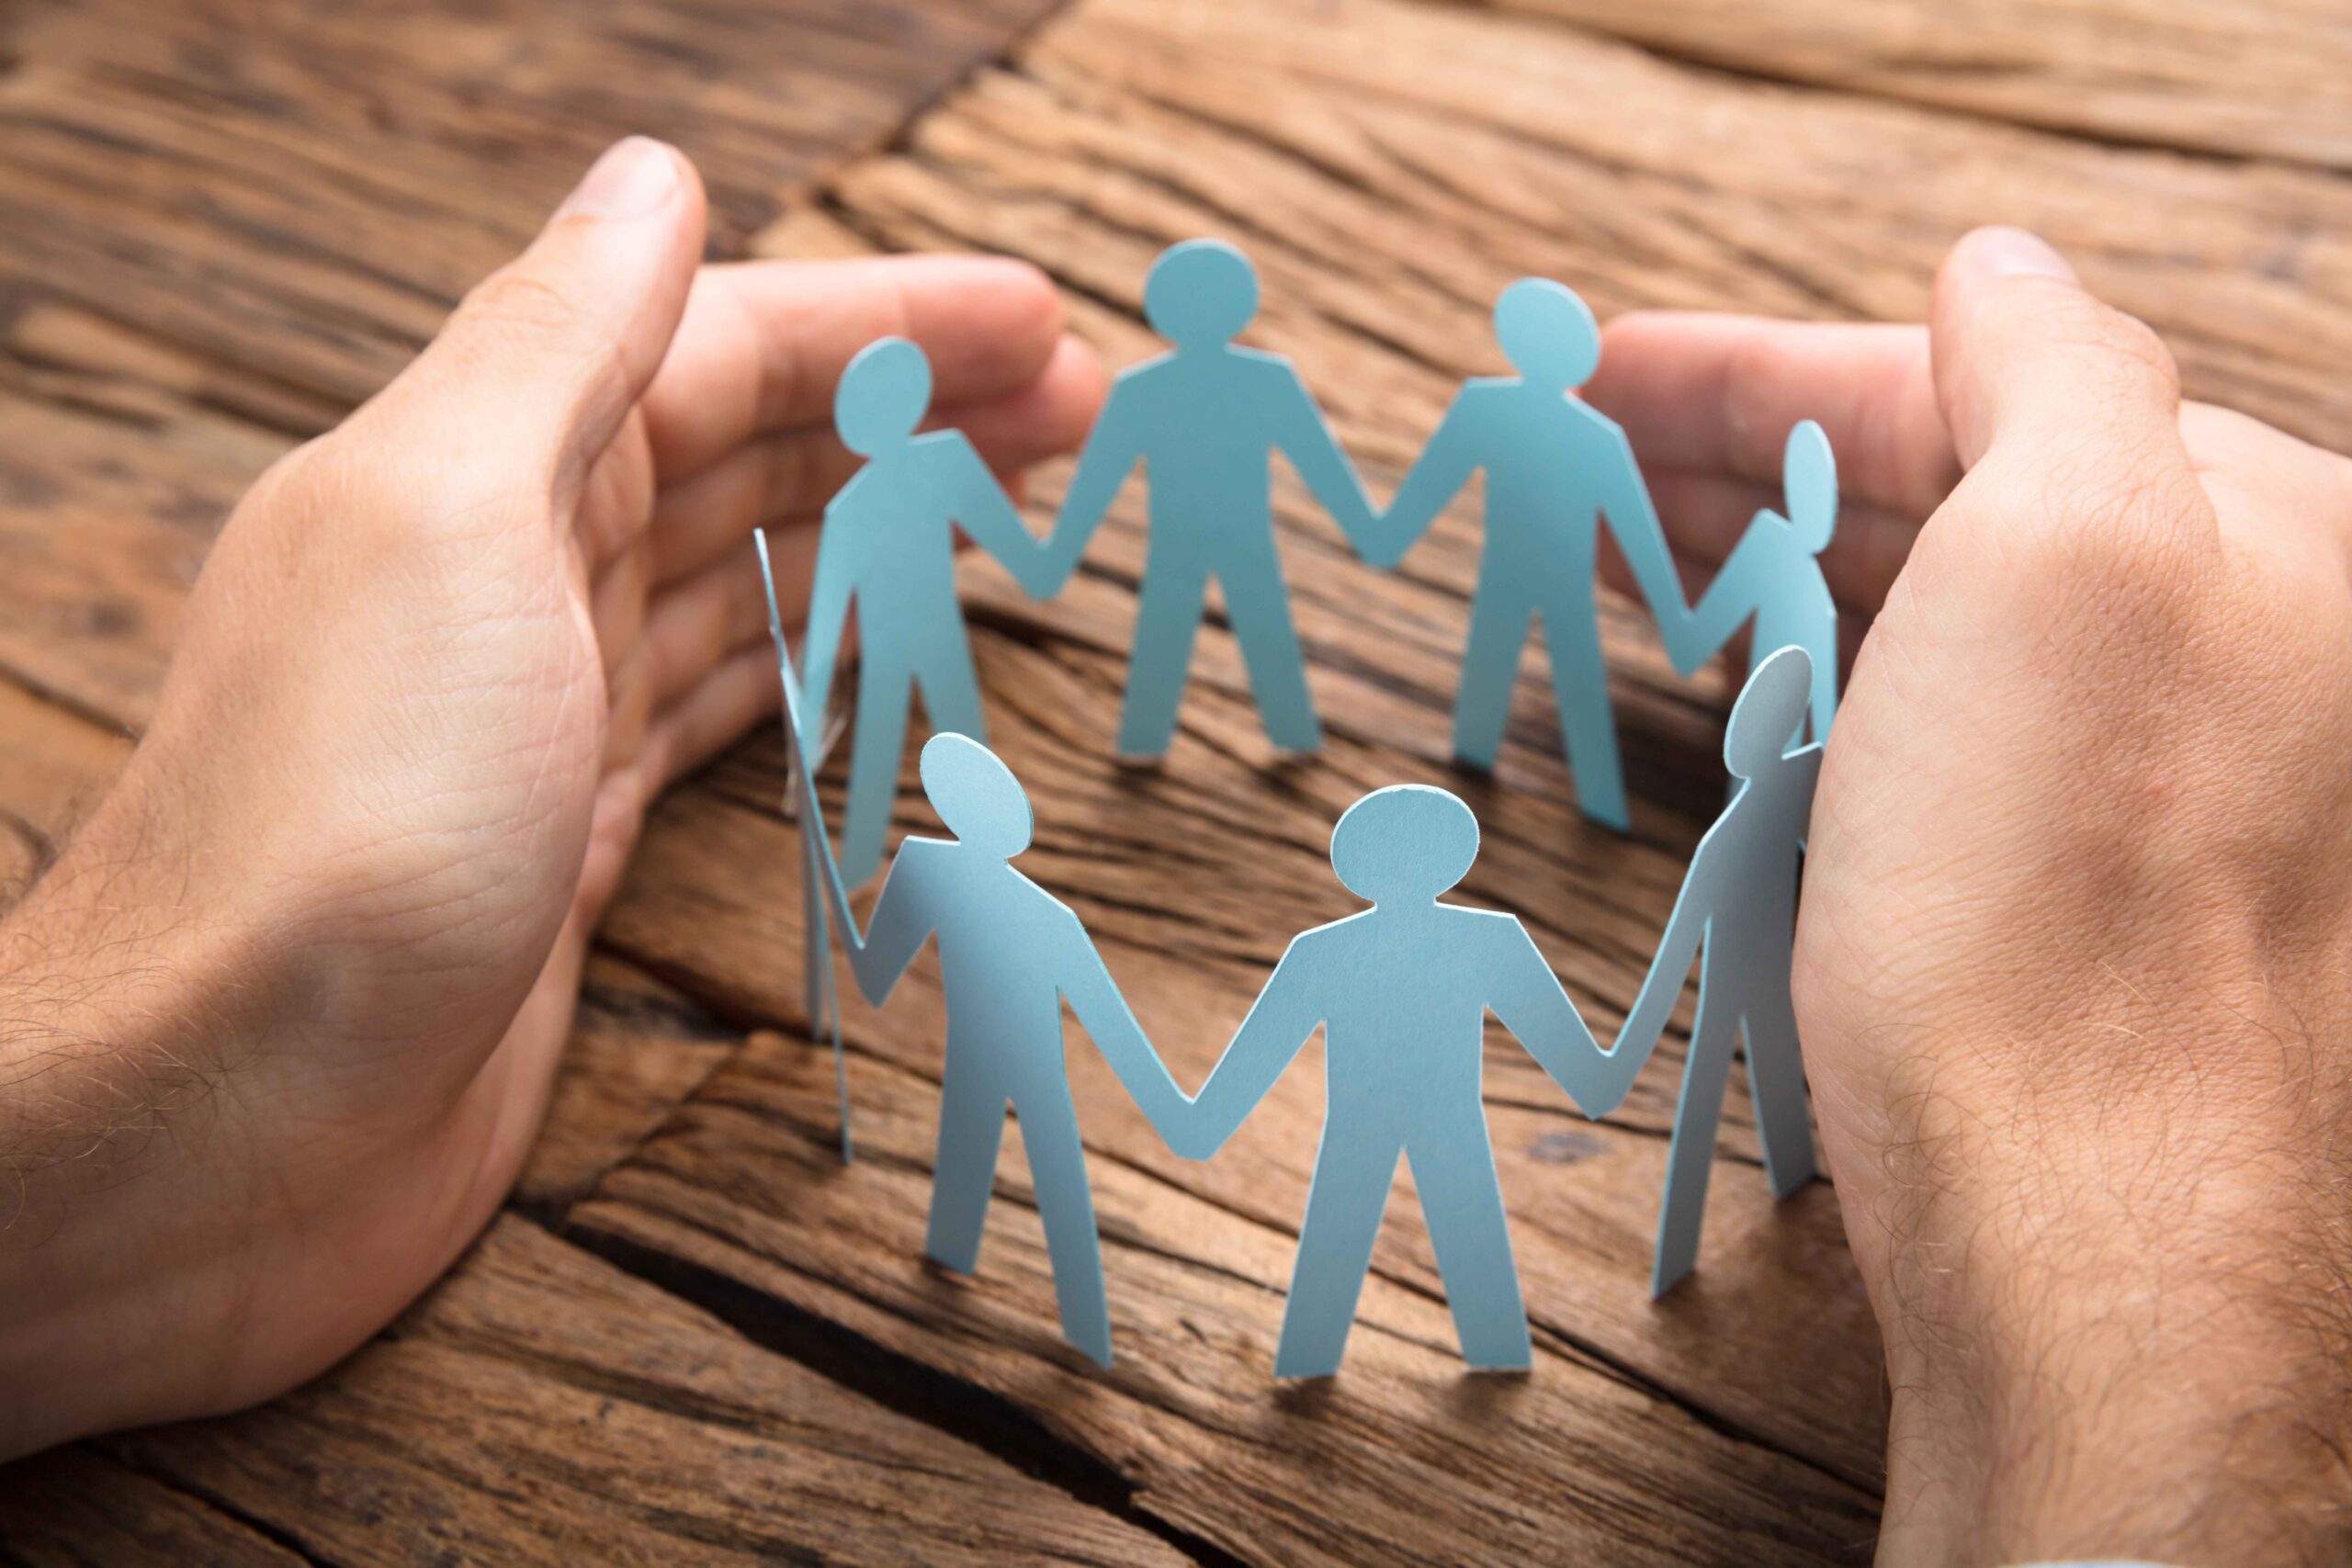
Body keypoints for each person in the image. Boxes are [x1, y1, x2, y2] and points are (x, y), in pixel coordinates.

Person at [0, 134, 2346, 1566]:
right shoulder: (993, 832)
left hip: (1483, 854)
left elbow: (947, 935)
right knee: (1317, 1140)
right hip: (1363, 863)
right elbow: (992, 940)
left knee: (1315, 1187)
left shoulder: (1002, 855)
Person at [1152, 784, 1647, 1378]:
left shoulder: (1325, 950)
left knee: (1342, 1250)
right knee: (1462, 1255)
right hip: (1442, 1121)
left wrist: (1195, 1121)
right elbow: (1585, 1074)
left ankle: (1320, 1363)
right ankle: (1480, 1353)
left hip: (1370, 1124)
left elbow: (1243, 1074)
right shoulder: (1484, 941)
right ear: (1452, 854)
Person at [790, 729, 1186, 1369]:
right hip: (998, 1060)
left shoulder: (950, 876)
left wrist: (836, 898)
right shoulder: (964, 882)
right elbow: (876, 976)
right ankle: (1060, 1316)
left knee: (1035, 1179)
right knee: (1039, 1182)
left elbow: (871, 976)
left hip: (1000, 1060)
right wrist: (1176, 1110)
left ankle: (1064, 1318)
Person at [1363, 277, 1694, 827]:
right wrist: (1675, 616)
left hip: (1534, 575)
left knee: (1540, 671)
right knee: (1551, 674)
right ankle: (1565, 786)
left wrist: (1389, 536)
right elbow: (1637, 533)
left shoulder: (1515, 414)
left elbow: (1635, 529)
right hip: (1536, 575)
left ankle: (1580, 791)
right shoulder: (1585, 433)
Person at [1037, 238, 1379, 758]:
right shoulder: (1260, 380)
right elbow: (1321, 462)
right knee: (1233, 629)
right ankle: (1261, 734)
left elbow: (1096, 480)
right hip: (1225, 536)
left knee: (1188, 631)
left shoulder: (1148, 388)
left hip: (1204, 537)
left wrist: (1058, 554)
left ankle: (1162, 740)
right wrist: (1365, 529)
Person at [797, 334, 1063, 885]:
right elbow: (826, 611)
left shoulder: (930, 466)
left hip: (934, 630)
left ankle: (982, 871)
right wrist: (811, 698)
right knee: (892, 748)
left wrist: (1038, 570)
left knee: (950, 743)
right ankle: (857, 876)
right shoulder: (855, 505)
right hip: (895, 635)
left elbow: (995, 525)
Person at [1611, 646, 1823, 1298]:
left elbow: (1678, 949)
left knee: (1707, 1090)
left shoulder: (1732, 831)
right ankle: (1788, 1172)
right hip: (1774, 965)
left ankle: (1684, 1246)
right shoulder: (1809, 773)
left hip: (1750, 970)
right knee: (1770, 1067)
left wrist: (1624, 1054)